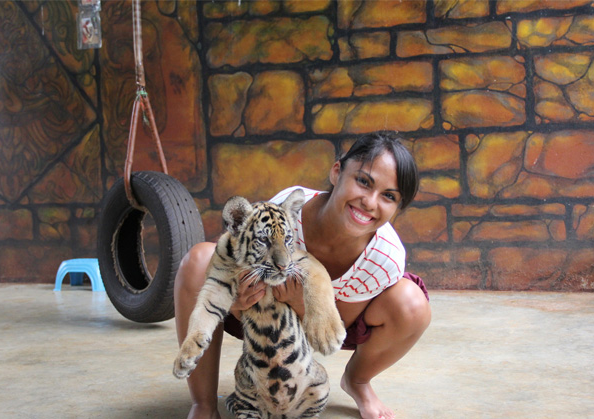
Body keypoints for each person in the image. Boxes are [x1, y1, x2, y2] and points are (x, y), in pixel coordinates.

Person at [174, 132, 432, 419]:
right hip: (256, 309)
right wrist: (233, 304)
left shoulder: (386, 256)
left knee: (412, 304)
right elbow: (237, 258)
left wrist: (300, 301)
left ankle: (357, 381)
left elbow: (330, 333)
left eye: (389, 196)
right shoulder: (289, 207)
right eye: (363, 181)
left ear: (399, 207)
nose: (370, 202)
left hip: (327, 323)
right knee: (197, 261)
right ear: (337, 172)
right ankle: (203, 404)